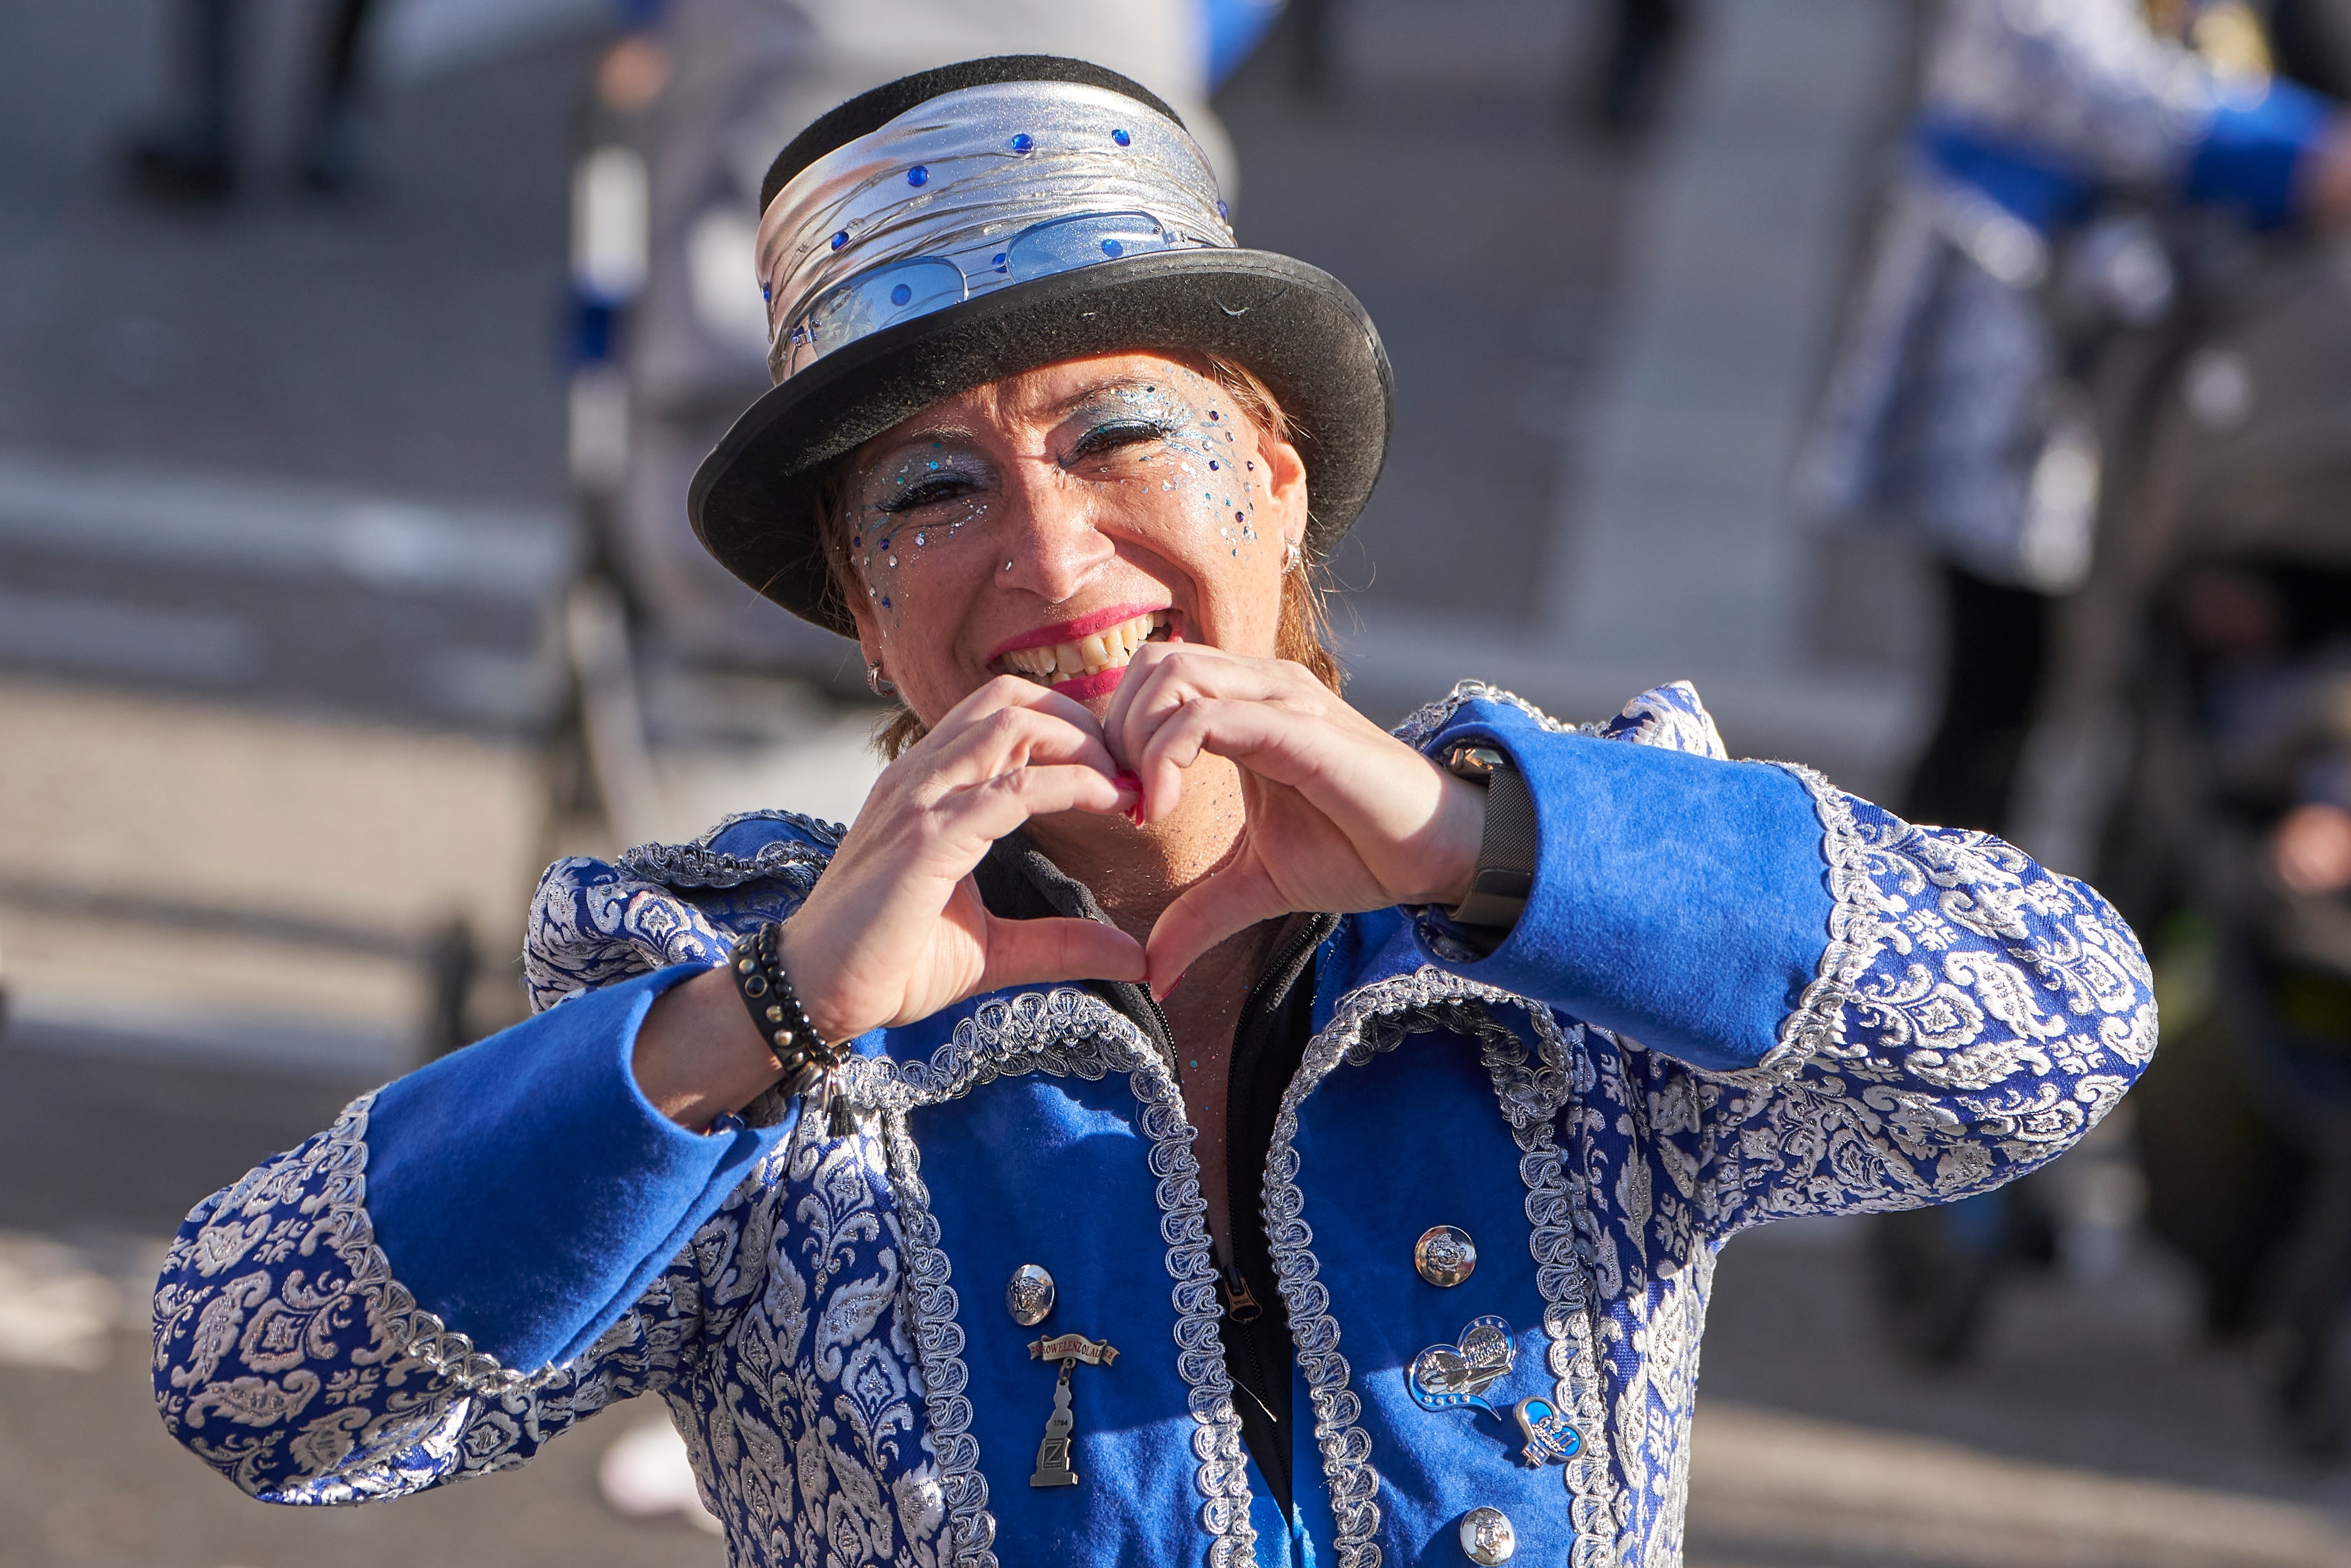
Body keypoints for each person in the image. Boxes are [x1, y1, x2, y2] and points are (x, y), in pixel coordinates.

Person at [151, 56, 2156, 1567]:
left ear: (1272, 484)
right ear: (868, 615)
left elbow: (2063, 1030)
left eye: (1126, 433)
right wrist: (771, 1016)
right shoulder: (755, 1011)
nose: (1046, 551)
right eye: (930, 493)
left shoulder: (1557, 931)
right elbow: (254, 1381)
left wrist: (1477, 852)